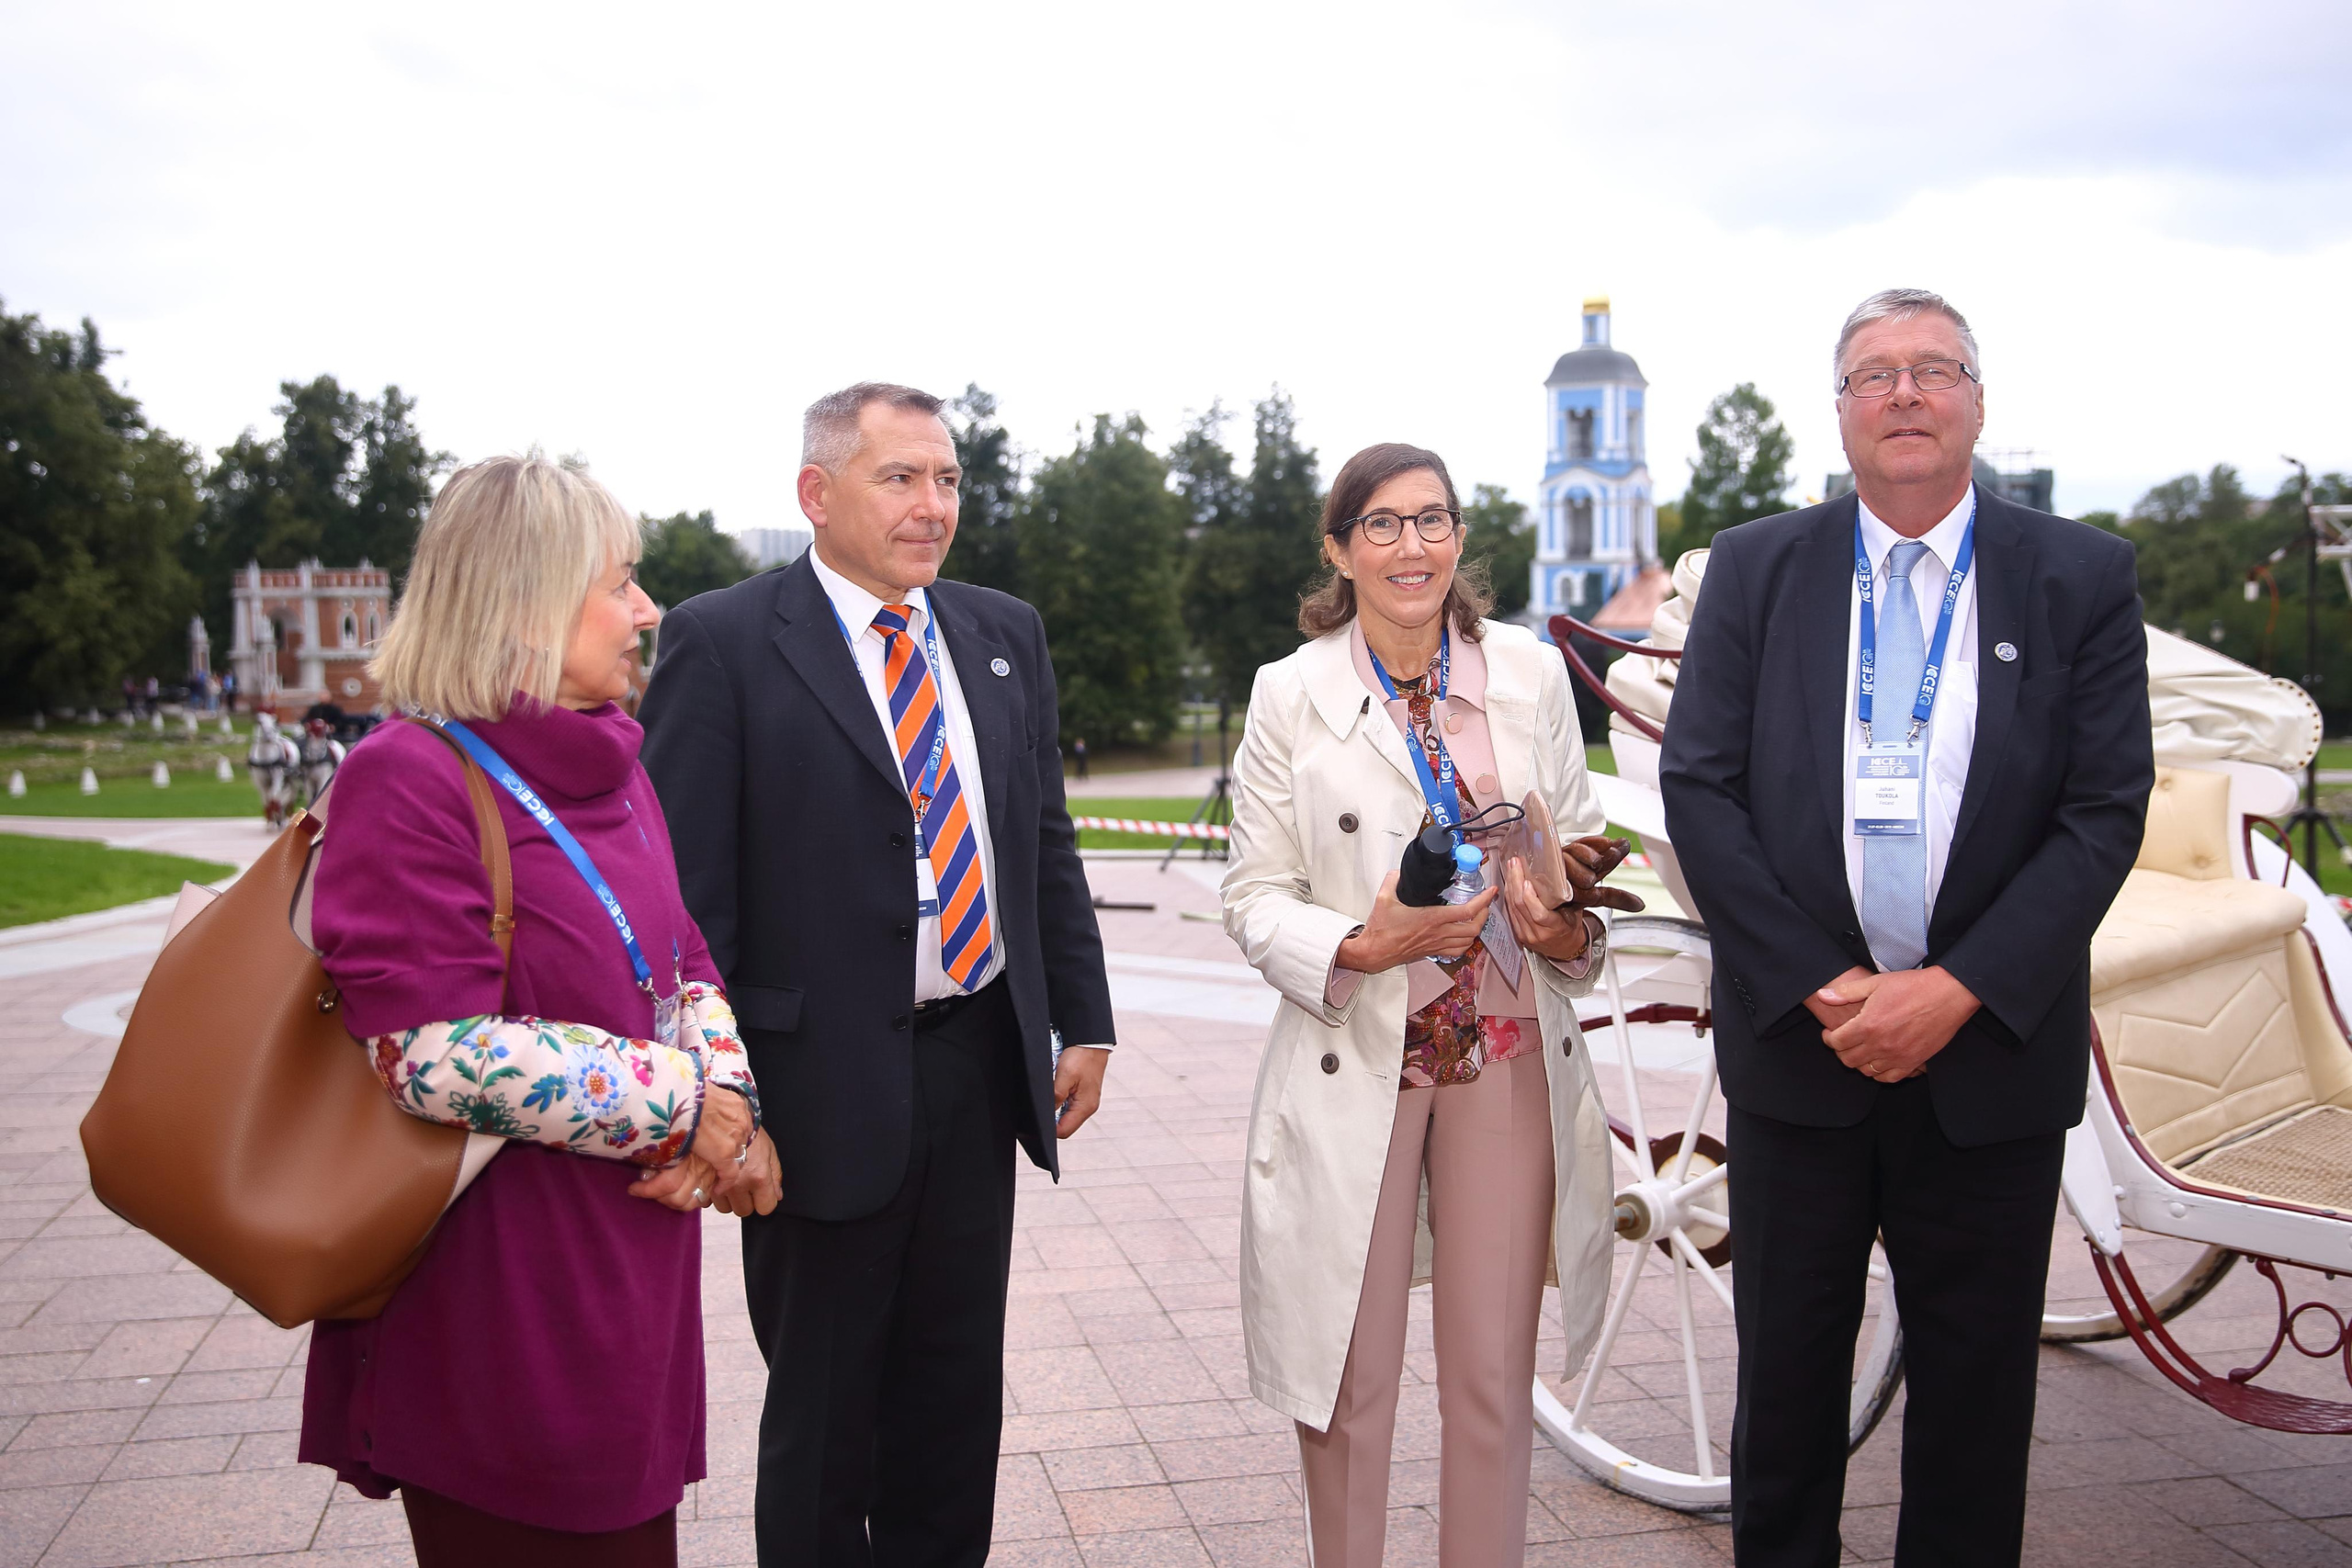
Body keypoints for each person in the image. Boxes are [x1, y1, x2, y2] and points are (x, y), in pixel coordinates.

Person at [1659, 289, 2152, 1566]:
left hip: (1985, 1064)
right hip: (1798, 1056)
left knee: (1980, 1409)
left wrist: (1959, 988)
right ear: (1841, 414)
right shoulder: (1759, 566)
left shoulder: (2078, 576)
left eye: (1936, 369)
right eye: (1874, 375)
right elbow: (1700, 786)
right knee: (1786, 1403)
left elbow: (2104, 809)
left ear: (1978, 401)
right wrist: (1824, 984)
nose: (1906, 394)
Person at [639, 382, 1116, 1568]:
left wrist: (1083, 1016)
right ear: (817, 492)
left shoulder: (1003, 634)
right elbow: (687, 904)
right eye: (900, 476)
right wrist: (720, 1094)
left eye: (947, 478)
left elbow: (1040, 837)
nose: (933, 504)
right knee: (824, 1425)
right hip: (812, 1093)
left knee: (955, 1412)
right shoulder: (726, 639)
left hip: (974, 1070)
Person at [300, 454, 781, 1566]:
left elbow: (684, 957)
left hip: (624, 1262)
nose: (646, 609)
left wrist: (732, 1107)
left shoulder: (618, 762)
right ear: (522, 600)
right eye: (617, 582)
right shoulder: (406, 775)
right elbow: (425, 1051)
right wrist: (682, 1106)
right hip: (497, 1288)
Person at [1221, 443, 1637, 1567]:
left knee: (1492, 1378)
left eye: (1433, 521)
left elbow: (1571, 861)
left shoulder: (1529, 674)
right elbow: (1252, 899)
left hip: (1501, 1052)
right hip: (1358, 1049)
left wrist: (1563, 923)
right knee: (1348, 1386)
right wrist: (1365, 941)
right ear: (1339, 550)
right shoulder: (1288, 693)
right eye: (1383, 526)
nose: (1412, 547)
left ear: (1458, 539)